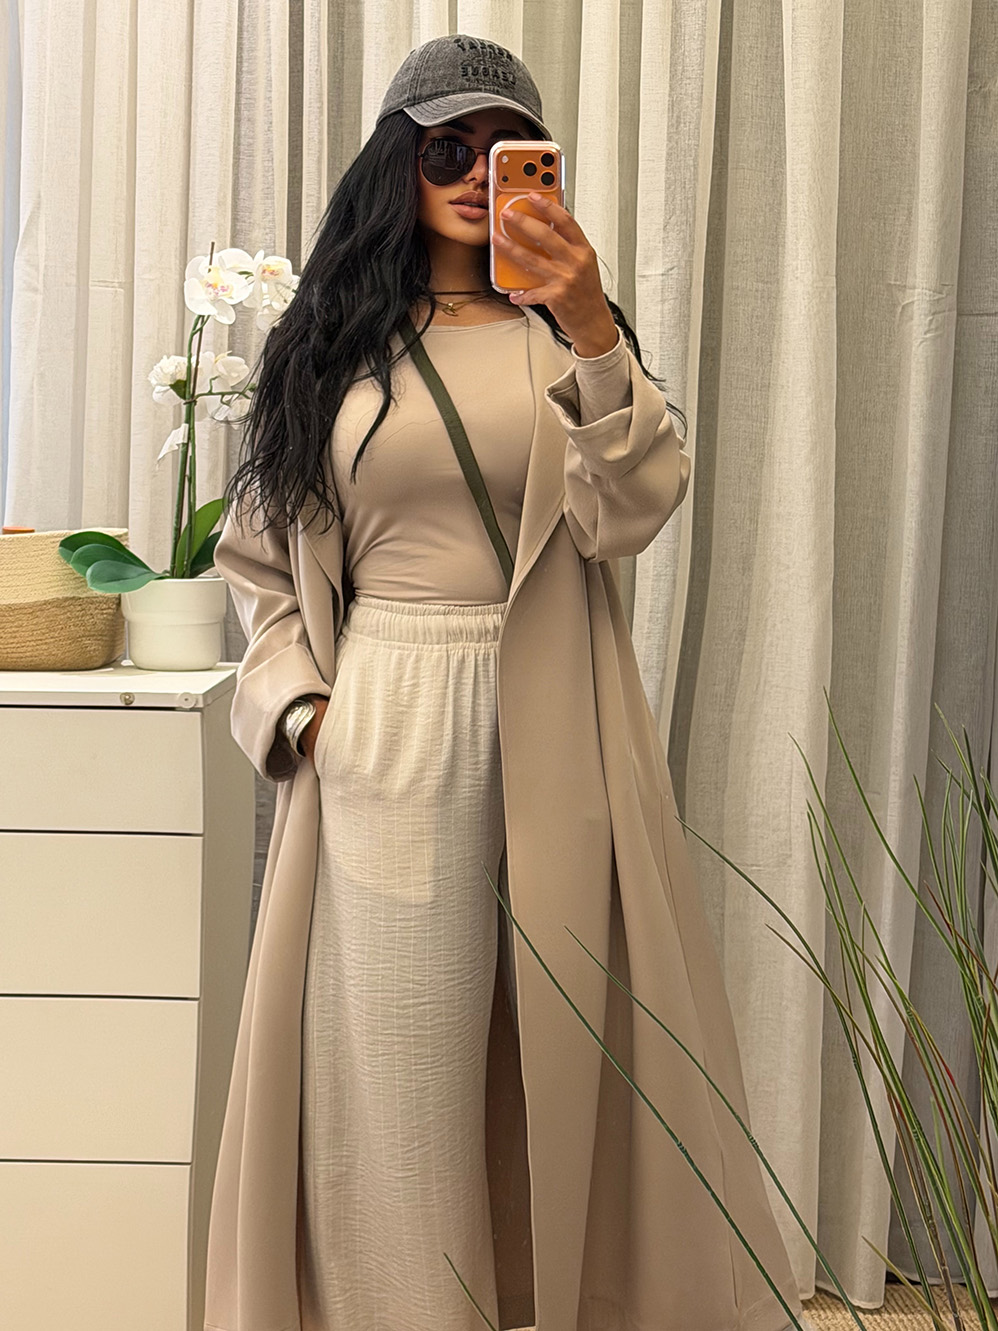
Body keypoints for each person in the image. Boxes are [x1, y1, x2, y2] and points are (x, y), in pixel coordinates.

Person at [205, 33, 810, 1331]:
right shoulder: (330, 352)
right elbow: (258, 561)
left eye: (507, 151)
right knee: (399, 1046)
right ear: (398, 165)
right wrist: (305, 712)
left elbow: (630, 511)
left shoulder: (562, 341)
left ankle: (557, 1298)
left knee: (561, 1032)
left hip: (554, 709)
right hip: (385, 712)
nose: (479, 175)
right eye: (448, 149)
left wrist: (589, 324)